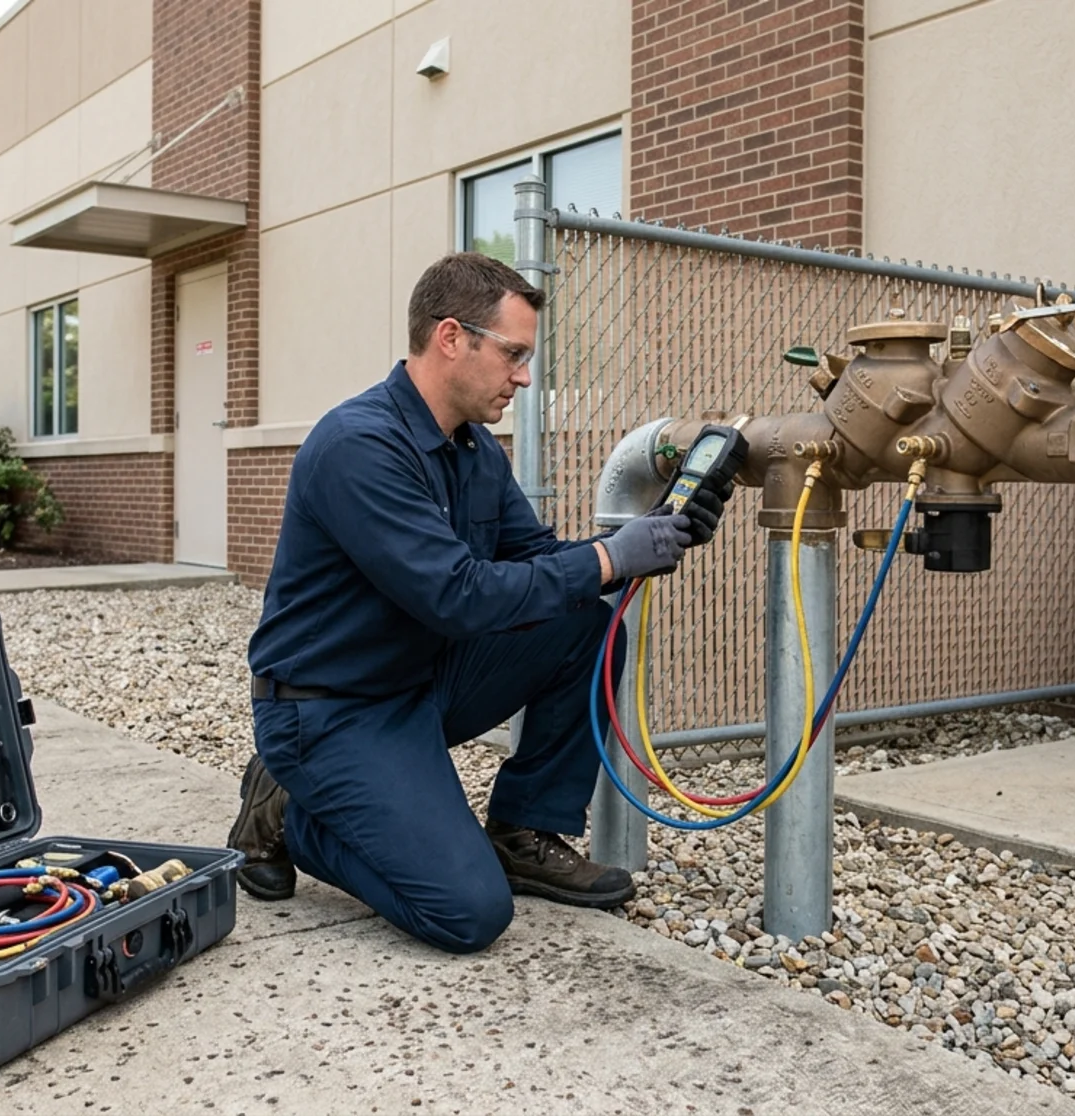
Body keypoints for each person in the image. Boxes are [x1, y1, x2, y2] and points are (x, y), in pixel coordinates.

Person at [228, 252, 741, 954]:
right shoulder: (358, 447)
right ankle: (294, 812)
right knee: (468, 913)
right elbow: (457, 596)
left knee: (584, 619)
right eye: (513, 354)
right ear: (450, 338)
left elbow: (536, 562)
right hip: (329, 709)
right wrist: (609, 558)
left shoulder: (474, 451)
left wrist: (651, 535)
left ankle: (522, 830)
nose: (524, 377)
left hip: (419, 681)